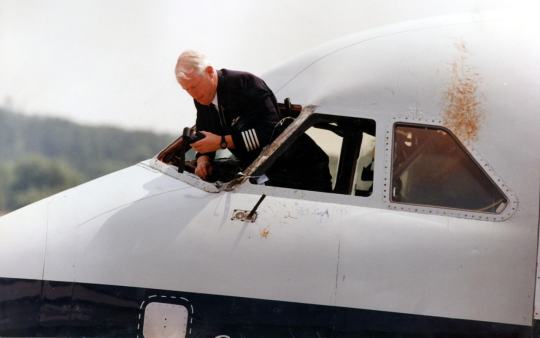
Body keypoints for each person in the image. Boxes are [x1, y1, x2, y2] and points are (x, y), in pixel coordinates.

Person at [175, 50, 332, 192]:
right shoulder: (203, 97)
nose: (192, 94)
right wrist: (203, 159)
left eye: (194, 86)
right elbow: (206, 132)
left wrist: (222, 142)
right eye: (187, 89)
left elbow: (269, 131)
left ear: (209, 72)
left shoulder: (245, 84)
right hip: (264, 170)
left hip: (302, 172)